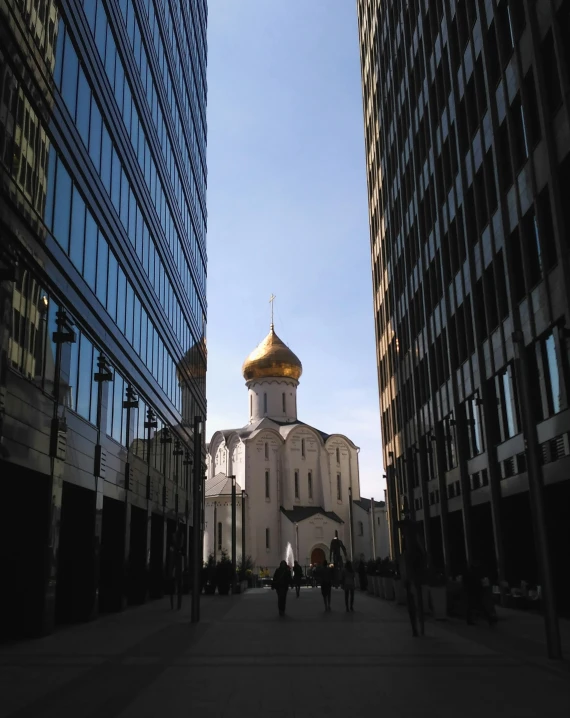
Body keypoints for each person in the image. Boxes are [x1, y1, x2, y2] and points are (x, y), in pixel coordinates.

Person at [463, 560, 497, 626]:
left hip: (470, 592)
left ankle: (469, 620)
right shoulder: (477, 572)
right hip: (477, 591)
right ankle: (489, 619)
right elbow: (480, 581)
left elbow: (465, 582)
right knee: (482, 606)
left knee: (471, 606)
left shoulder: (468, 572)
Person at [166, 530, 185, 610]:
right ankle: (175, 605)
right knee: (174, 587)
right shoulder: (175, 549)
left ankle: (176, 605)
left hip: (177, 570)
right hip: (176, 570)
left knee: (177, 587)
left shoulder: (177, 550)